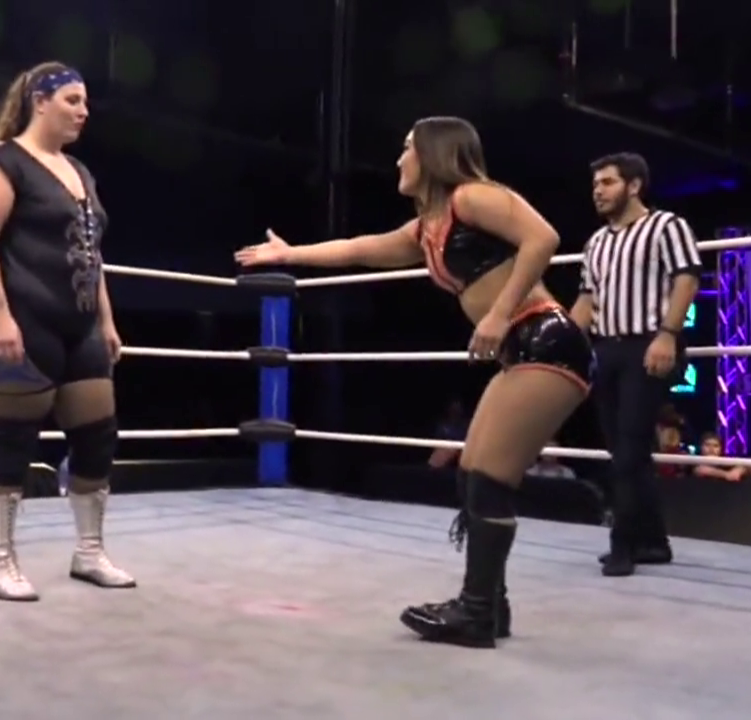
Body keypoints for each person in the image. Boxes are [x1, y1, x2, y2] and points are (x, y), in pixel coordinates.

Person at [236, 116, 592, 648]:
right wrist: (290, 255)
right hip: (522, 350)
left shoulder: (472, 198)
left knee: (488, 477)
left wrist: (498, 314)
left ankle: (477, 612)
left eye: (408, 148)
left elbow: (543, 238)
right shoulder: (427, 228)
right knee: (472, 473)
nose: (400, 158)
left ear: (433, 153)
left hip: (547, 340)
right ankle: (489, 604)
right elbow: (358, 248)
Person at [0, 60, 134, 602]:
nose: (84, 111)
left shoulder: (79, 172)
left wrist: (106, 319)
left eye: (85, 102)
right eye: (72, 101)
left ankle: (89, 551)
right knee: (12, 438)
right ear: (40, 101)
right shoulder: (2, 163)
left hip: (78, 325)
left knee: (98, 434)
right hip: (23, 318)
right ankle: (1, 562)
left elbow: (92, 253)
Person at [569, 152, 701, 577]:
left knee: (628, 448)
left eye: (607, 182)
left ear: (634, 185)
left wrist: (668, 334)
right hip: (606, 349)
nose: (598, 191)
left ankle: (622, 544)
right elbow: (587, 300)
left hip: (648, 343)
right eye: (595, 184)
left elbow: (687, 279)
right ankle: (654, 542)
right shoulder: (596, 242)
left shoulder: (666, 226)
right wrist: (564, 345)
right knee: (624, 450)